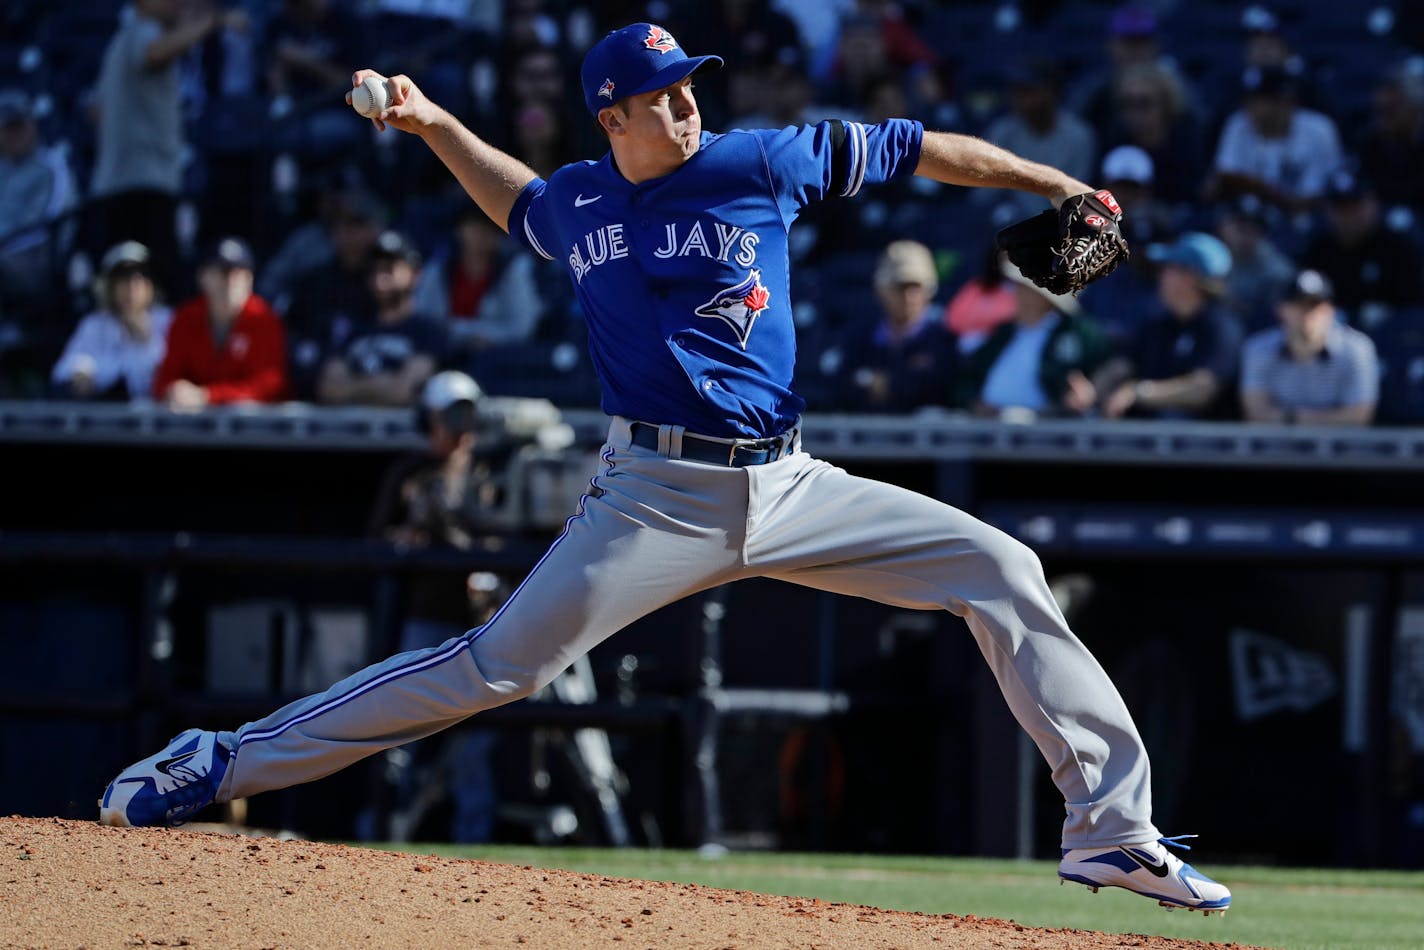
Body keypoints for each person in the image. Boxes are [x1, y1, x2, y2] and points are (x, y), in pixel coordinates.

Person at [99, 22, 1231, 914]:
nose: (689, 100)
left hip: (791, 483)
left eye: (691, 82)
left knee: (999, 564)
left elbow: (914, 144)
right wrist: (436, 119)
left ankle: (1107, 828)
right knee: (495, 665)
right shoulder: (582, 200)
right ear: (613, 115)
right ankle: (221, 761)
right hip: (650, 495)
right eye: (666, 92)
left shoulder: (758, 158)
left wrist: (1047, 184)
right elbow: (516, 199)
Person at [363, 370, 507, 843]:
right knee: (400, 725)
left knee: (474, 746)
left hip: (483, 619)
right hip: (426, 617)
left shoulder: (492, 471)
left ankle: (474, 842)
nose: (460, 432)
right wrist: (409, 537)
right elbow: (377, 536)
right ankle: (381, 829)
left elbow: (505, 536)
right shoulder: (411, 474)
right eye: (450, 420)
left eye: (467, 420)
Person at [88, 0, 248, 297]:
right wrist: (212, 22)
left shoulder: (116, 42)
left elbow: (95, 111)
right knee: (154, 287)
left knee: (125, 288)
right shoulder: (141, 30)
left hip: (118, 183)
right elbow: (154, 52)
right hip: (144, 185)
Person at [1086, 233, 1243, 421]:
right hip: (1150, 442)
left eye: (1169, 269)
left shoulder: (1222, 327)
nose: (1161, 277)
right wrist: (1093, 390)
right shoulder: (1159, 325)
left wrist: (1139, 392)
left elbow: (1202, 390)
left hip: (1204, 444)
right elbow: (1121, 366)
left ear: (1190, 278)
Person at [956, 260, 1109, 419]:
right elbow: (969, 378)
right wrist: (975, 404)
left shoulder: (1076, 333)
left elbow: (1108, 368)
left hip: (1048, 432)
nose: (1015, 294)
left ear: (1043, 298)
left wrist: (1088, 395)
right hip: (988, 429)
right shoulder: (1004, 331)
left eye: (1024, 289)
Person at [152, 236, 289, 411]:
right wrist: (174, 390)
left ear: (250, 280)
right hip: (193, 426)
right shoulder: (185, 318)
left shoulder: (264, 319)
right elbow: (165, 380)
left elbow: (269, 387)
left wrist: (208, 396)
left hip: (255, 430)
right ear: (202, 277)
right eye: (222, 271)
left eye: (240, 273)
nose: (230, 281)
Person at [316, 230, 446, 407]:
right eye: (374, 269)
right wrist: (381, 383)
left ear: (415, 273)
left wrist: (353, 385)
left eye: (389, 268)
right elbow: (328, 388)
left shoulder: (427, 330)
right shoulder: (353, 329)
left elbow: (404, 392)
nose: (380, 277)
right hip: (351, 430)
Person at [1240, 269, 1379, 425]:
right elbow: (1256, 414)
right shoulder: (1259, 348)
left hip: (1341, 448)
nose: (1306, 314)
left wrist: (1290, 418)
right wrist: (1329, 418)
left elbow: (1358, 417)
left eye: (1314, 306)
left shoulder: (1356, 349)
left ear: (1330, 310)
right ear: (1281, 310)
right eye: (1298, 305)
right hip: (1275, 446)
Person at [835, 240, 957, 412]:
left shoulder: (943, 338)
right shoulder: (859, 337)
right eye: (900, 287)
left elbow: (939, 388)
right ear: (881, 289)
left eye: (915, 287)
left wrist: (886, 384)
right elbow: (842, 388)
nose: (908, 296)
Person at [1207, 64, 1343, 212]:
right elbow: (1221, 179)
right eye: (1248, 100)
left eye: (1260, 101)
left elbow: (1320, 194)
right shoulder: (1238, 123)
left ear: (1285, 101)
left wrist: (1266, 191)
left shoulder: (1319, 129)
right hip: (1249, 217)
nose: (1250, 108)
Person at [51, 241, 172, 401]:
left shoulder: (168, 320)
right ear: (110, 285)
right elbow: (63, 370)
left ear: (151, 284)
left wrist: (146, 339)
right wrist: (81, 373)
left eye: (139, 277)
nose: (131, 287)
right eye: (123, 278)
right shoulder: (94, 325)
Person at [1299, 170, 1422, 325]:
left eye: (1356, 206)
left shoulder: (1398, 249)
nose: (1349, 215)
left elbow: (1413, 310)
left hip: (1391, 338)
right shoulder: (1318, 251)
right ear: (1328, 211)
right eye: (1341, 208)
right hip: (1331, 340)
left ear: (1373, 204)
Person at [980, 58, 1096, 221]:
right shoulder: (1003, 132)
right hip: (1011, 224)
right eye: (1017, 91)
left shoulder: (1079, 135)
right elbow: (983, 195)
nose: (1022, 99)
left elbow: (1078, 195)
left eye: (1029, 90)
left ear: (1052, 91)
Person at [0, 88, 77, 306]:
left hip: (35, 258)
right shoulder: (2, 169)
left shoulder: (51, 165)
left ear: (32, 126)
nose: (15, 135)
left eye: (19, 126)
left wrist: (4, 240)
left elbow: (50, 222)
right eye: (8, 128)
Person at [1214, 195, 1295, 333]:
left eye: (1254, 227)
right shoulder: (1212, 257)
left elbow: (1272, 321)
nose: (1247, 233)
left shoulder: (1277, 271)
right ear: (1223, 227)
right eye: (1240, 225)